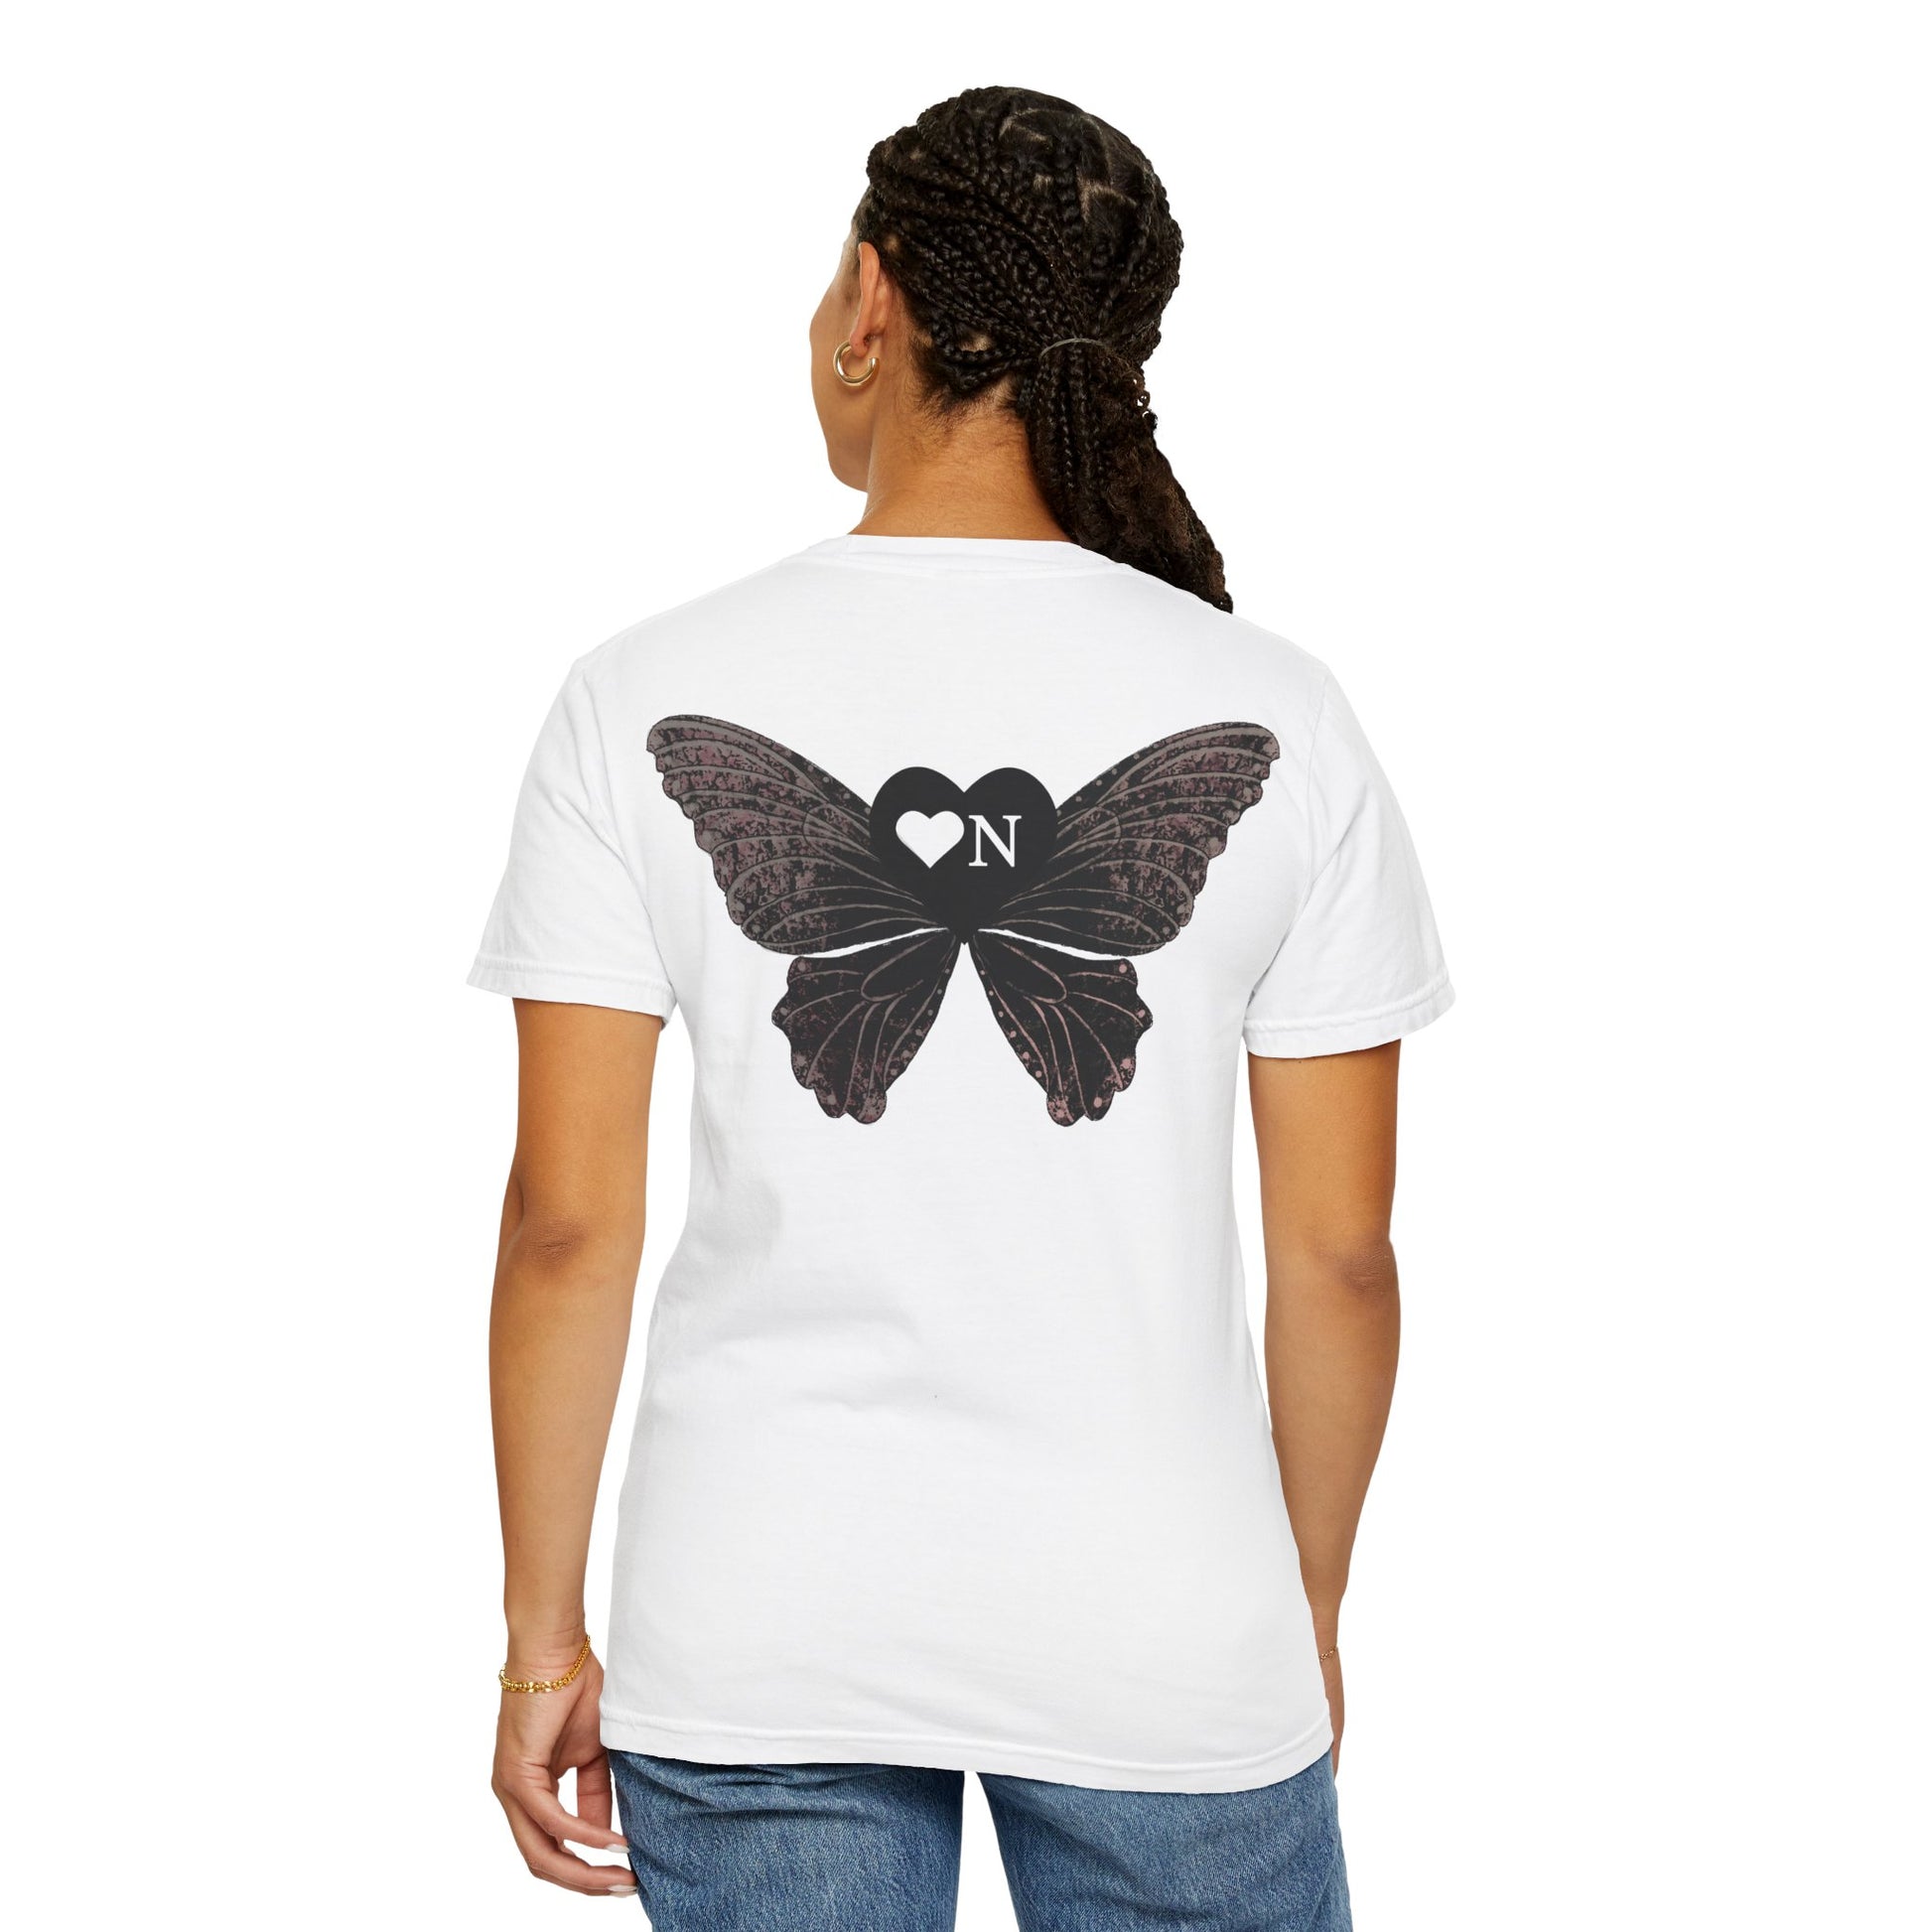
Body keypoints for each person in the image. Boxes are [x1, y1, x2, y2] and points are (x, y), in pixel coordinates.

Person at [472, 84, 1451, 1932]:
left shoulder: (638, 692)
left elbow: (565, 1223)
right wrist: (1296, 1612)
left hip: (760, 1622)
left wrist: (540, 1642)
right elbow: (1339, 1258)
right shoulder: (1280, 711)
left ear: (870, 301)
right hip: (1164, 1625)